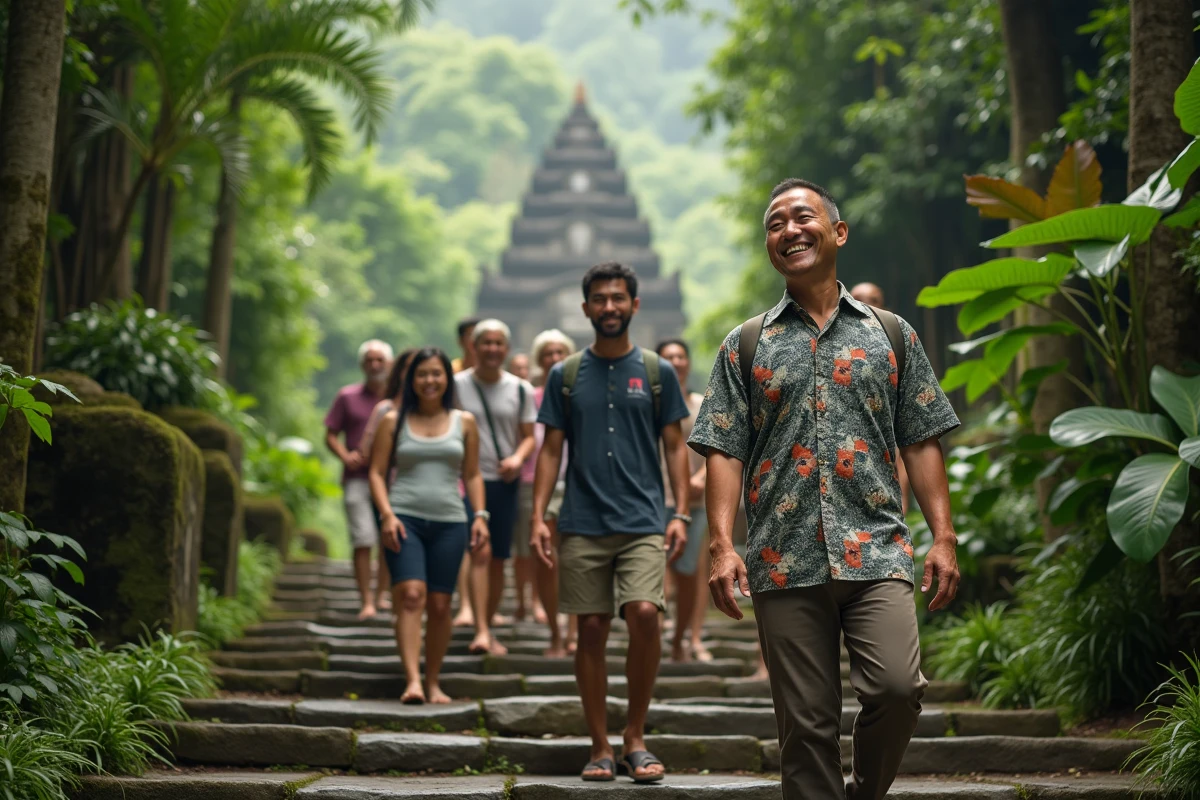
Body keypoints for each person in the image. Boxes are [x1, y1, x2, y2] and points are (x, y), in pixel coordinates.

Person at [689, 178, 961, 800]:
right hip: (784, 560)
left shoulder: (891, 334)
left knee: (898, 689)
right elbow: (724, 448)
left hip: (877, 551)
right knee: (807, 729)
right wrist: (722, 546)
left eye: (803, 217)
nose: (789, 230)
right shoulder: (746, 344)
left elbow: (921, 440)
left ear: (837, 232)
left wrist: (943, 536)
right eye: (775, 224)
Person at [532, 262, 692, 784]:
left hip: (644, 518)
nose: (608, 307)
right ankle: (600, 744)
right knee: (592, 628)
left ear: (634, 305)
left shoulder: (655, 371)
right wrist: (539, 515)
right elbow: (551, 450)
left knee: (645, 614)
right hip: (581, 519)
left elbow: (674, 446)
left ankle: (635, 737)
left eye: (618, 298)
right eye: (599, 299)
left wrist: (681, 512)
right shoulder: (566, 374)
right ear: (585, 309)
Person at [367, 348, 492, 704]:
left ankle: (433, 679)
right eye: (422, 374)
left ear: (447, 378)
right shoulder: (393, 420)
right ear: (411, 380)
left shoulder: (464, 421)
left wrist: (480, 516)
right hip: (404, 519)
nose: (430, 381)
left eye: (436, 373)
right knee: (410, 596)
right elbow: (376, 473)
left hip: (451, 521)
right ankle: (412, 681)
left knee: (439, 605)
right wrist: (387, 515)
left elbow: (472, 474)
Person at [456, 319, 537, 645]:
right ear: (473, 347)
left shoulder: (520, 389)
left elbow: (529, 437)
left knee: (499, 557)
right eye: (485, 343)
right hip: (464, 480)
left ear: (506, 348)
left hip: (504, 482)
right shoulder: (455, 385)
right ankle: (480, 629)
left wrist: (517, 458)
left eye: (497, 343)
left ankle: (485, 622)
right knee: (477, 550)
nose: (491, 349)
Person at [325, 339, 393, 620]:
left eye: (380, 360)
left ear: (389, 364)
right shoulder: (347, 396)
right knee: (363, 538)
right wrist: (345, 456)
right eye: (370, 360)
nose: (375, 365)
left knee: (389, 538)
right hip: (356, 478)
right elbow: (330, 434)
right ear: (362, 365)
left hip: (391, 478)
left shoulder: (398, 398)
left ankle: (382, 595)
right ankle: (366, 599)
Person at [519, 329, 577, 653]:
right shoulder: (528, 396)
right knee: (546, 559)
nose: (555, 359)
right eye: (548, 354)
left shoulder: (582, 392)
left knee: (575, 559)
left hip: (576, 481)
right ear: (539, 360)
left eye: (560, 353)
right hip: (537, 482)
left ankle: (572, 633)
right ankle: (556, 631)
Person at [655, 339, 712, 663]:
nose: (676, 361)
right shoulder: (648, 405)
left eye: (680, 356)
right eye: (668, 357)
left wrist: (700, 479)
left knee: (688, 571)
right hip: (654, 499)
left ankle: (683, 637)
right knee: (654, 570)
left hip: (693, 503)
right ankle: (658, 633)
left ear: (688, 363)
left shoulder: (701, 404)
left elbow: (716, 448)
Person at [849, 282, 911, 513]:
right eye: (857, 298)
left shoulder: (896, 352)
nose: (864, 305)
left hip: (881, 499)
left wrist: (903, 494)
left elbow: (908, 439)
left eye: (873, 300)